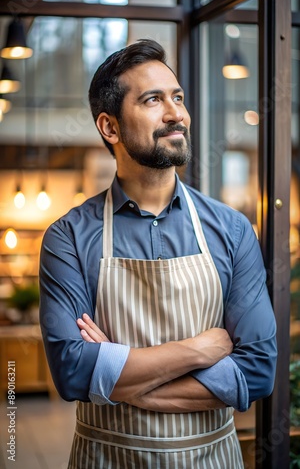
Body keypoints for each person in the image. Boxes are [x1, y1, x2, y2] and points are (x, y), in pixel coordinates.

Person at [39, 39, 277, 468]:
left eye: (178, 98)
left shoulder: (233, 229)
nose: (176, 114)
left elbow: (257, 371)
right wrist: (201, 349)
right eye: (153, 100)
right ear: (110, 128)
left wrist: (114, 376)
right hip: (106, 459)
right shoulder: (68, 237)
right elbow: (73, 372)